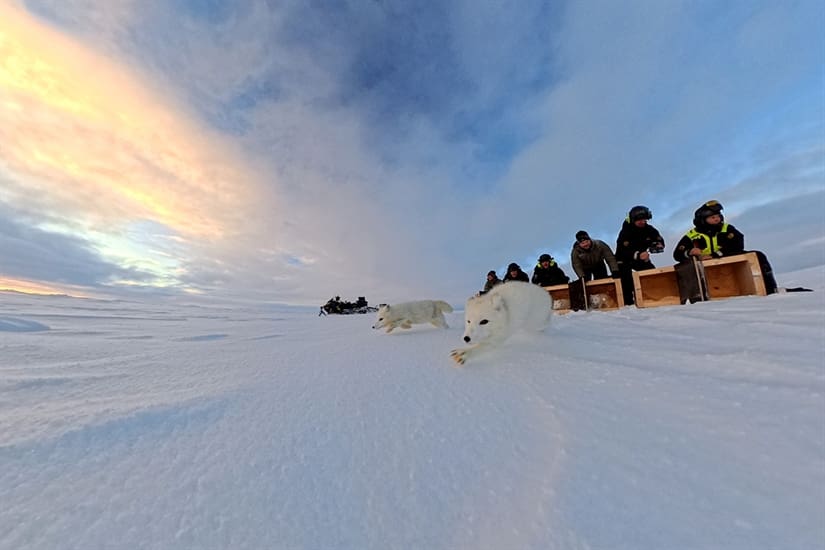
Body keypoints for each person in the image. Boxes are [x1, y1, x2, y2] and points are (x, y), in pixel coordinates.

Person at [673, 200, 777, 294]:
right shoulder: (691, 235)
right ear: (702, 220)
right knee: (684, 267)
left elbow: (738, 245)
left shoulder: (727, 228)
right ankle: (696, 296)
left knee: (759, 255)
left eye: (718, 216)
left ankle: (770, 289)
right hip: (702, 265)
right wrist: (689, 252)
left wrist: (715, 255)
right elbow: (677, 254)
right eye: (712, 217)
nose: (716, 219)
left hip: (727, 257)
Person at [615, 205, 665, 305]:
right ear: (633, 220)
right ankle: (628, 304)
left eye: (645, 220)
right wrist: (638, 255)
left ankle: (654, 298)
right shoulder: (625, 232)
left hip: (641, 258)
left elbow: (658, 239)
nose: (643, 222)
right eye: (640, 220)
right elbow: (623, 250)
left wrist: (658, 245)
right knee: (626, 280)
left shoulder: (649, 229)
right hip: (623, 260)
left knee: (652, 274)